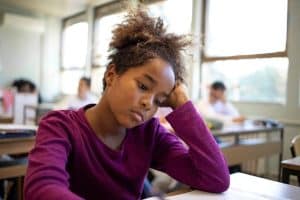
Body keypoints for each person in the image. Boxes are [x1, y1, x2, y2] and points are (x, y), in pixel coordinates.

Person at [24, 7, 229, 200]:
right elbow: (42, 189)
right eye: (142, 86)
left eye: (159, 100)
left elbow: (216, 178)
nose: (148, 104)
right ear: (112, 75)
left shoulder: (148, 134)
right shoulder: (60, 127)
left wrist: (182, 104)